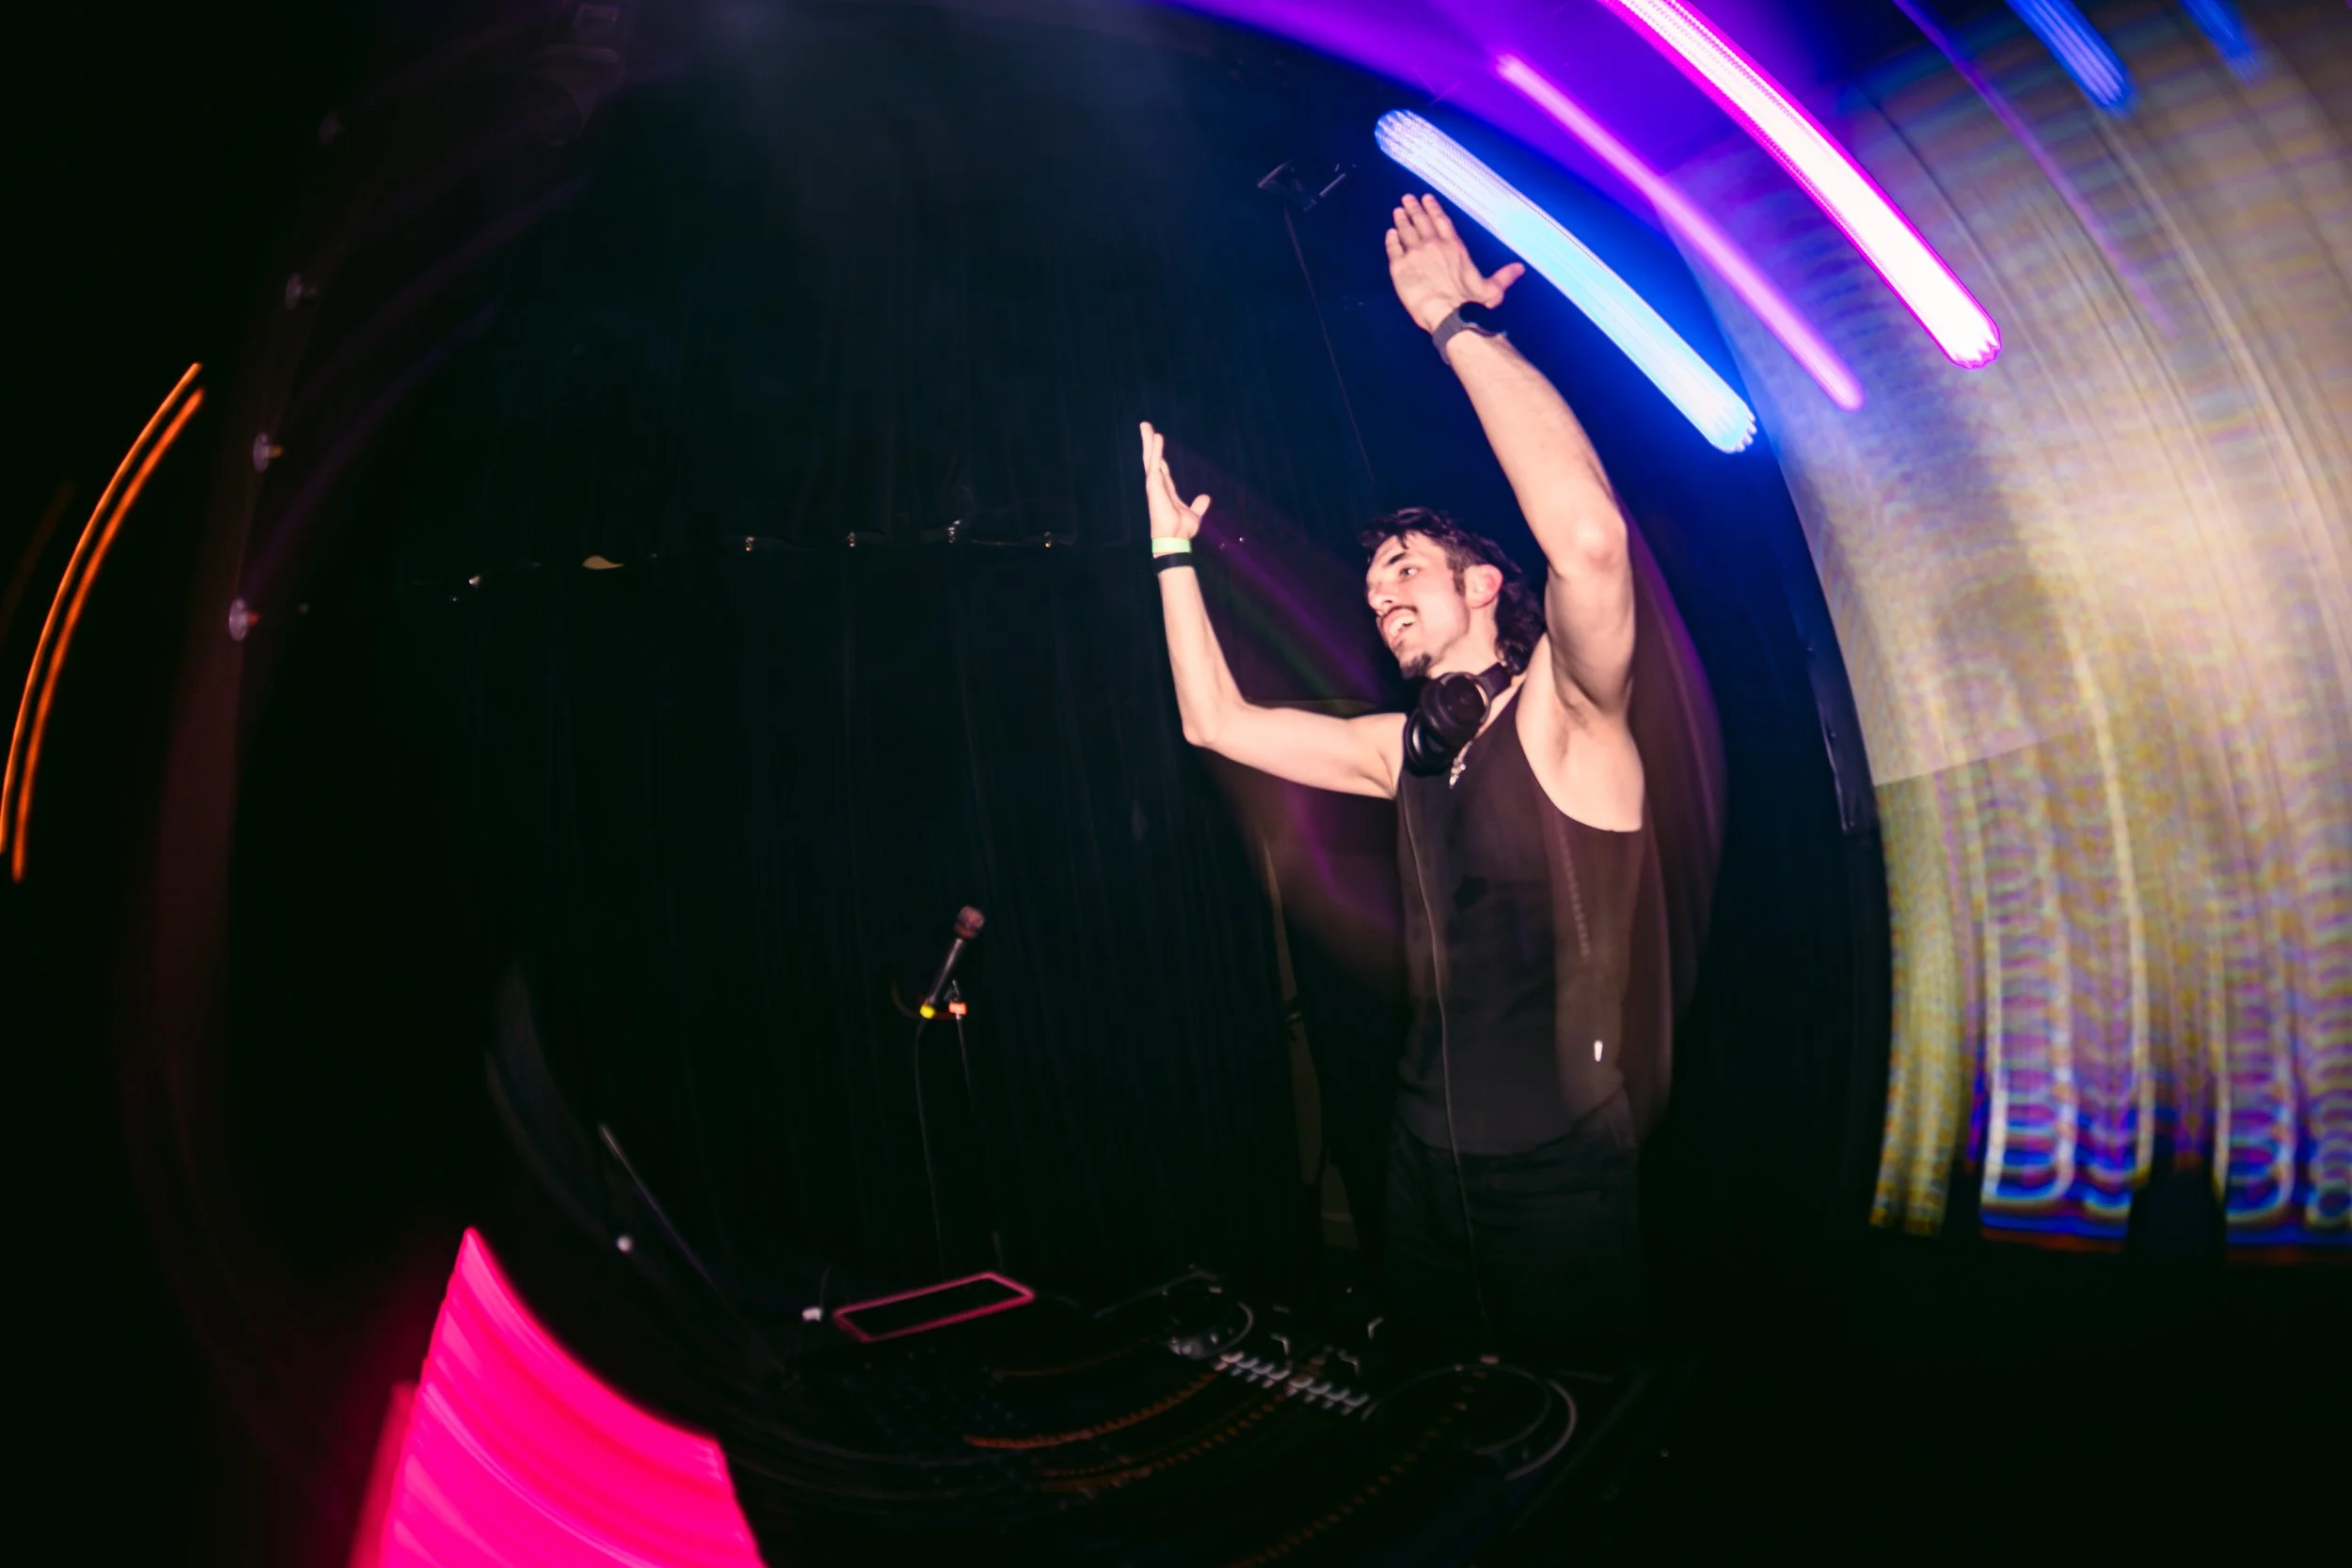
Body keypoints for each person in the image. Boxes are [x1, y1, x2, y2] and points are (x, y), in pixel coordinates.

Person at [1141, 193, 1647, 1363]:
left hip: (1557, 1184)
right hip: (1418, 1168)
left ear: (1480, 587)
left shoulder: (1571, 717)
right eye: (1370, 585)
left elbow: (1588, 542)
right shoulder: (1404, 746)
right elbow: (1213, 723)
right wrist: (1172, 549)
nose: (1379, 593)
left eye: (1405, 567)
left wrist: (1458, 329)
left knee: (1566, 1450)